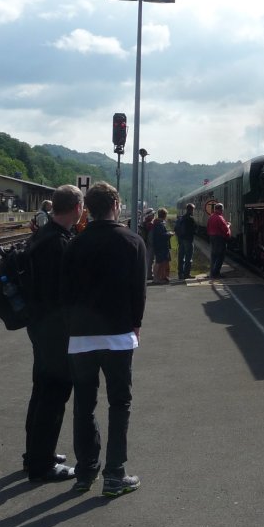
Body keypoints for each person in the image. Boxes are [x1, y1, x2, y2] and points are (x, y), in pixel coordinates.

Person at [62, 181, 148, 497]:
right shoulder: (132, 241)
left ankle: (85, 472)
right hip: (119, 336)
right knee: (119, 403)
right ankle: (115, 474)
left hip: (81, 338)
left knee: (84, 404)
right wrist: (135, 325)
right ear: (115, 206)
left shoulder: (74, 245)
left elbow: (65, 292)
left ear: (88, 209)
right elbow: (139, 291)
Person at [23, 184, 83, 483]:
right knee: (53, 395)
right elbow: (62, 293)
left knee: (40, 391)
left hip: (40, 326)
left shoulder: (43, 235)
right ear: (77, 208)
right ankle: (41, 464)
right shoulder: (58, 244)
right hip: (54, 330)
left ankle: (34, 452)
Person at [206, 202, 232, 279]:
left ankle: (212, 272)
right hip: (219, 238)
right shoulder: (220, 218)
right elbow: (225, 229)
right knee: (220, 256)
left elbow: (208, 227)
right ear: (221, 209)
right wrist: (228, 225)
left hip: (212, 237)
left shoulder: (211, 217)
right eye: (222, 209)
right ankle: (216, 273)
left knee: (214, 256)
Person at [175, 203, 196, 281]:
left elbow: (176, 228)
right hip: (188, 240)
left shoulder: (181, 218)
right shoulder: (190, 219)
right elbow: (194, 230)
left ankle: (180, 274)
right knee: (188, 257)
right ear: (191, 210)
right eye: (193, 209)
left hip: (180, 240)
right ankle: (187, 274)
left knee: (181, 257)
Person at [151, 208, 172, 284]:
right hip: (160, 246)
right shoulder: (159, 224)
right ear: (164, 215)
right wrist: (169, 234)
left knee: (162, 262)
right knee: (159, 262)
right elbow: (161, 235)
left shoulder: (158, 223)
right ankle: (156, 279)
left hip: (161, 245)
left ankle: (161, 277)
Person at [139, 208, 156, 280]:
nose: (154, 216)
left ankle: (148, 273)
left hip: (145, 243)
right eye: (153, 214)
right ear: (149, 216)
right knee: (150, 260)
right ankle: (149, 275)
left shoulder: (144, 223)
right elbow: (151, 236)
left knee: (148, 259)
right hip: (149, 244)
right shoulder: (150, 224)